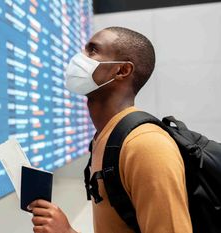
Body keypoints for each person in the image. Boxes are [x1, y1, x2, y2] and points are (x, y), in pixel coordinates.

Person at [28, 27, 193, 233]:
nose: (79, 58)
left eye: (92, 51)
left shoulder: (146, 145)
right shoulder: (104, 138)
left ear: (122, 70)